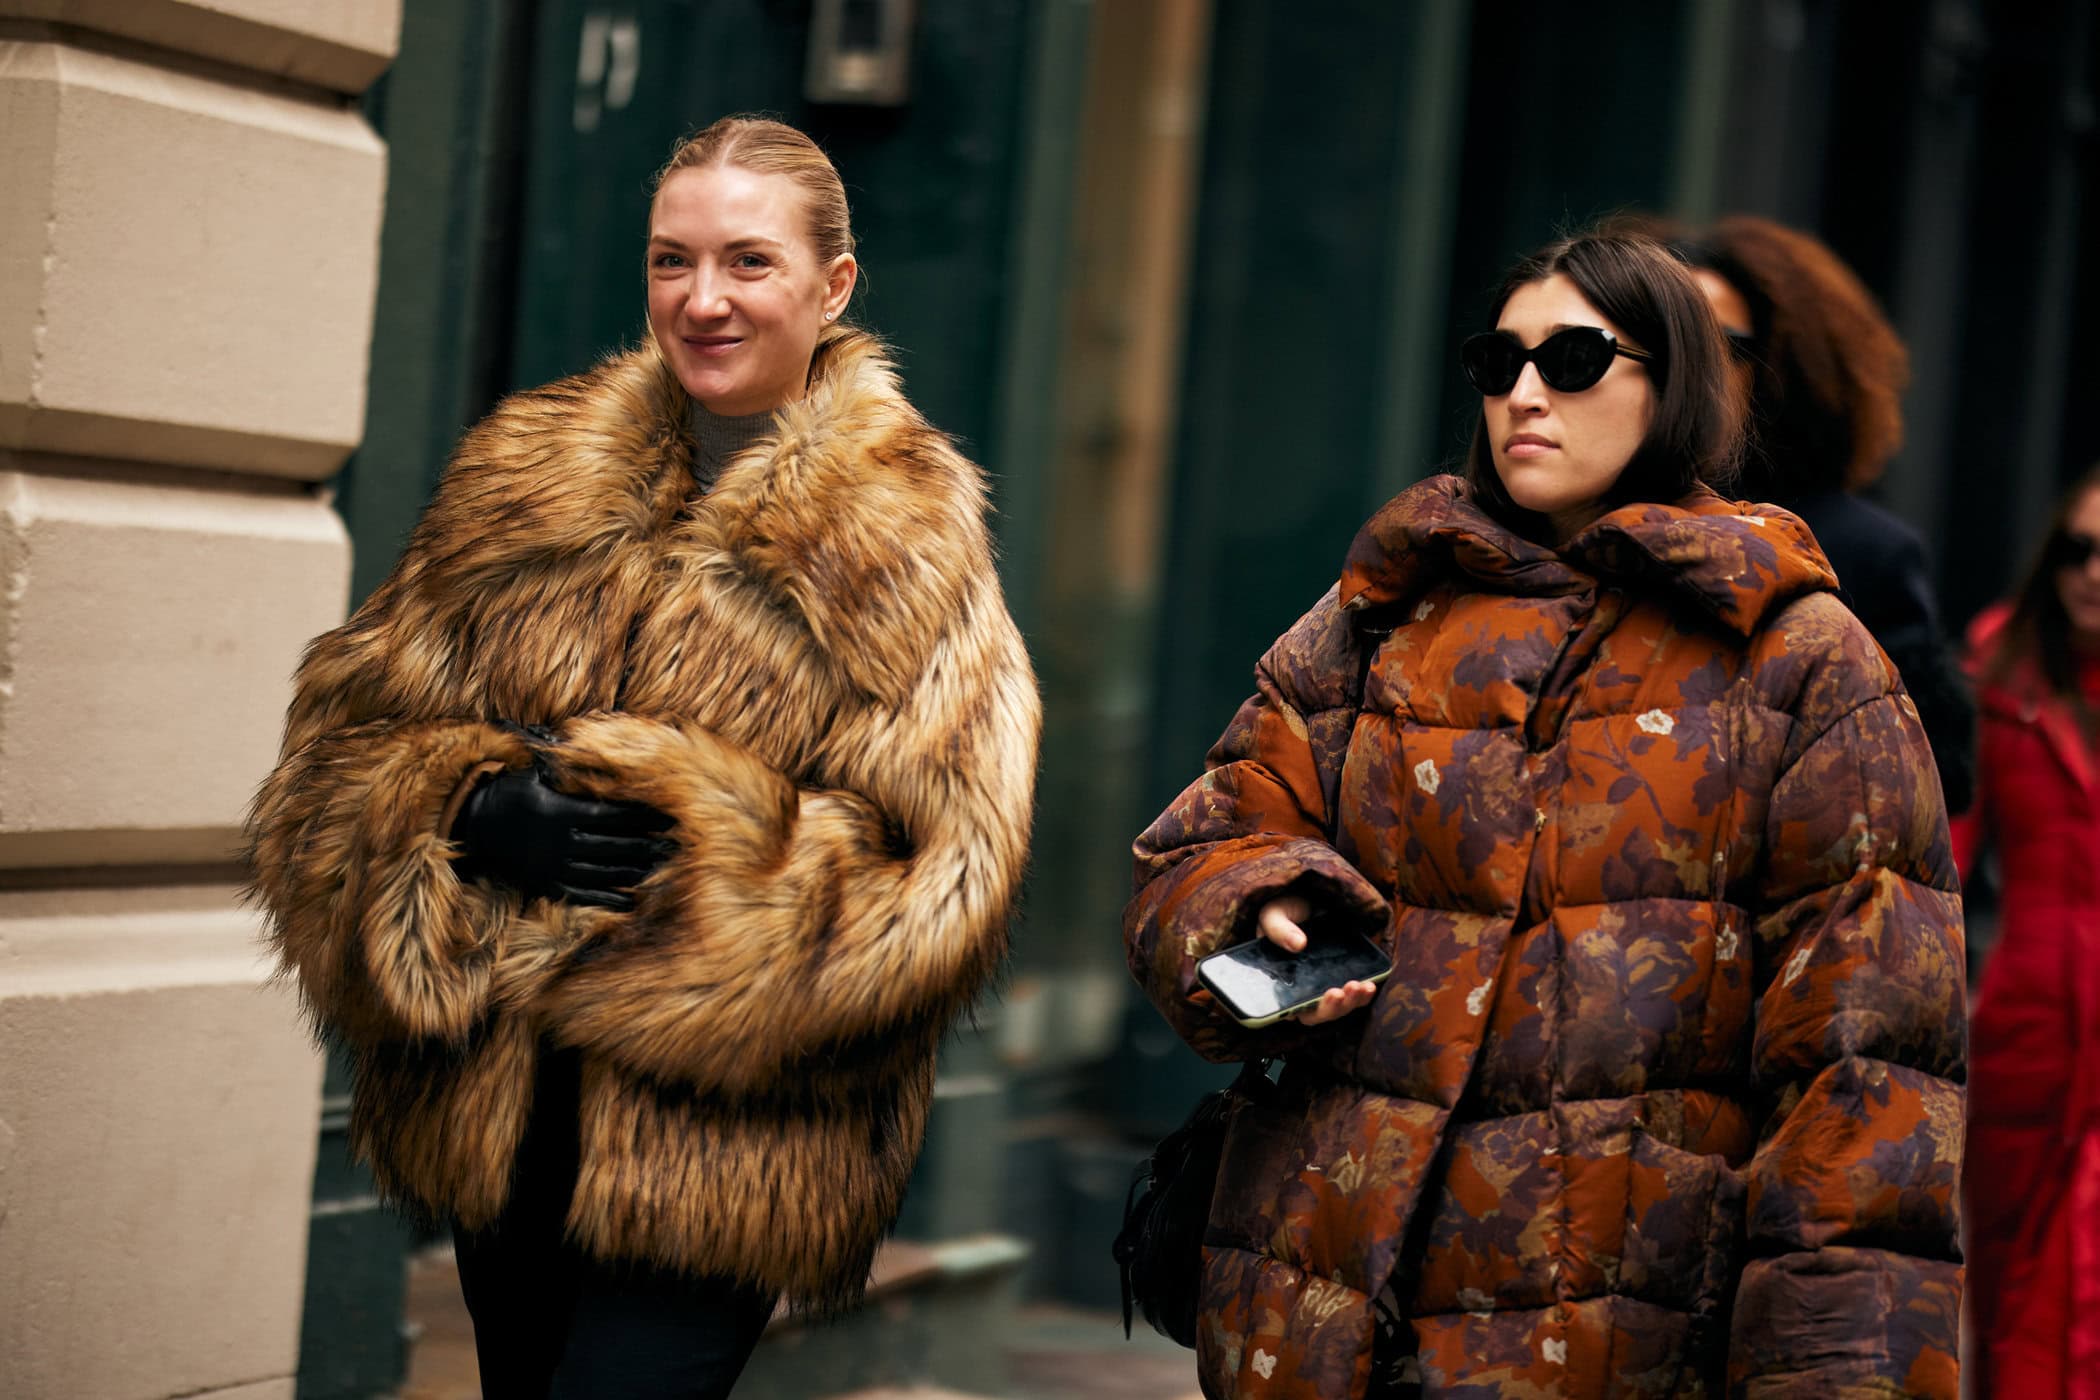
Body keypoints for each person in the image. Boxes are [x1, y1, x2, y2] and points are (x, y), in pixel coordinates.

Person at [245, 115, 1040, 1398]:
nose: (702, 299)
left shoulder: (908, 533)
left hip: (726, 1139)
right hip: (498, 1105)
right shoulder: (524, 475)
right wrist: (462, 807)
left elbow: (944, 868)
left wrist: (702, 857)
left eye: (748, 261)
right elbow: (340, 742)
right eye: (674, 259)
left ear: (833, 284)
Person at [1124, 230, 1965, 1397]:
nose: (1525, 392)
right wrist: (1258, 900)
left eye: (1573, 359)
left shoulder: (1799, 659)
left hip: (1610, 1324)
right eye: (1499, 359)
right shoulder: (1386, 606)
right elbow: (1206, 833)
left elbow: (1865, 1076)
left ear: (1674, 383)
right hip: (1325, 1292)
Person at [1658, 214, 1975, 814]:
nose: (1690, 368)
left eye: (1722, 346)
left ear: (1780, 371)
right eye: (1664, 343)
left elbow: (1924, 784)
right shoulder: (1567, 513)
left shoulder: (1859, 549)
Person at [1954, 463, 2100, 1397]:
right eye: (2079, 550)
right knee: (2008, 1290)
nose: (2094, 573)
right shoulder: (2002, 666)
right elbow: (1950, 848)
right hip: (2027, 1029)